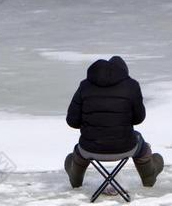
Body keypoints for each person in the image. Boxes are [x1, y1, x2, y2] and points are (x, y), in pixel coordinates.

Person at [65, 56, 163, 188]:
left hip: (89, 148)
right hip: (125, 147)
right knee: (139, 140)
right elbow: (139, 119)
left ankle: (75, 179)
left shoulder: (84, 86)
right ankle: (149, 177)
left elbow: (72, 121)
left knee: (82, 147)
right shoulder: (132, 86)